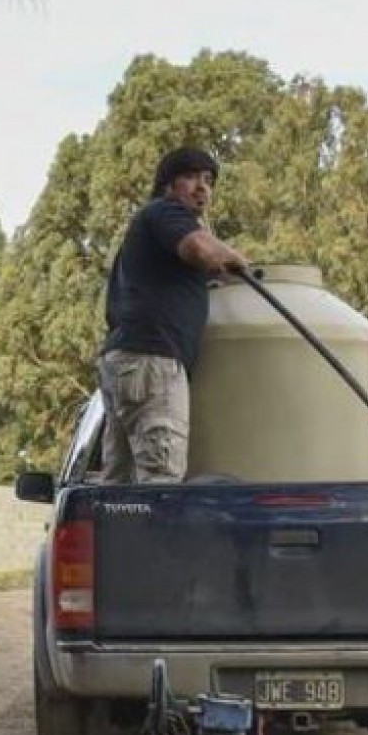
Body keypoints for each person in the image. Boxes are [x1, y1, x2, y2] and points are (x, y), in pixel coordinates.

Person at [96, 146, 250, 484]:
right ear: (168, 185)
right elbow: (200, 249)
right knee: (160, 479)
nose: (202, 188)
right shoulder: (167, 213)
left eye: (208, 181)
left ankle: (120, 538)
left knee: (119, 485)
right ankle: (150, 538)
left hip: (125, 360)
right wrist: (237, 261)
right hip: (154, 361)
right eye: (191, 177)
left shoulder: (149, 231)